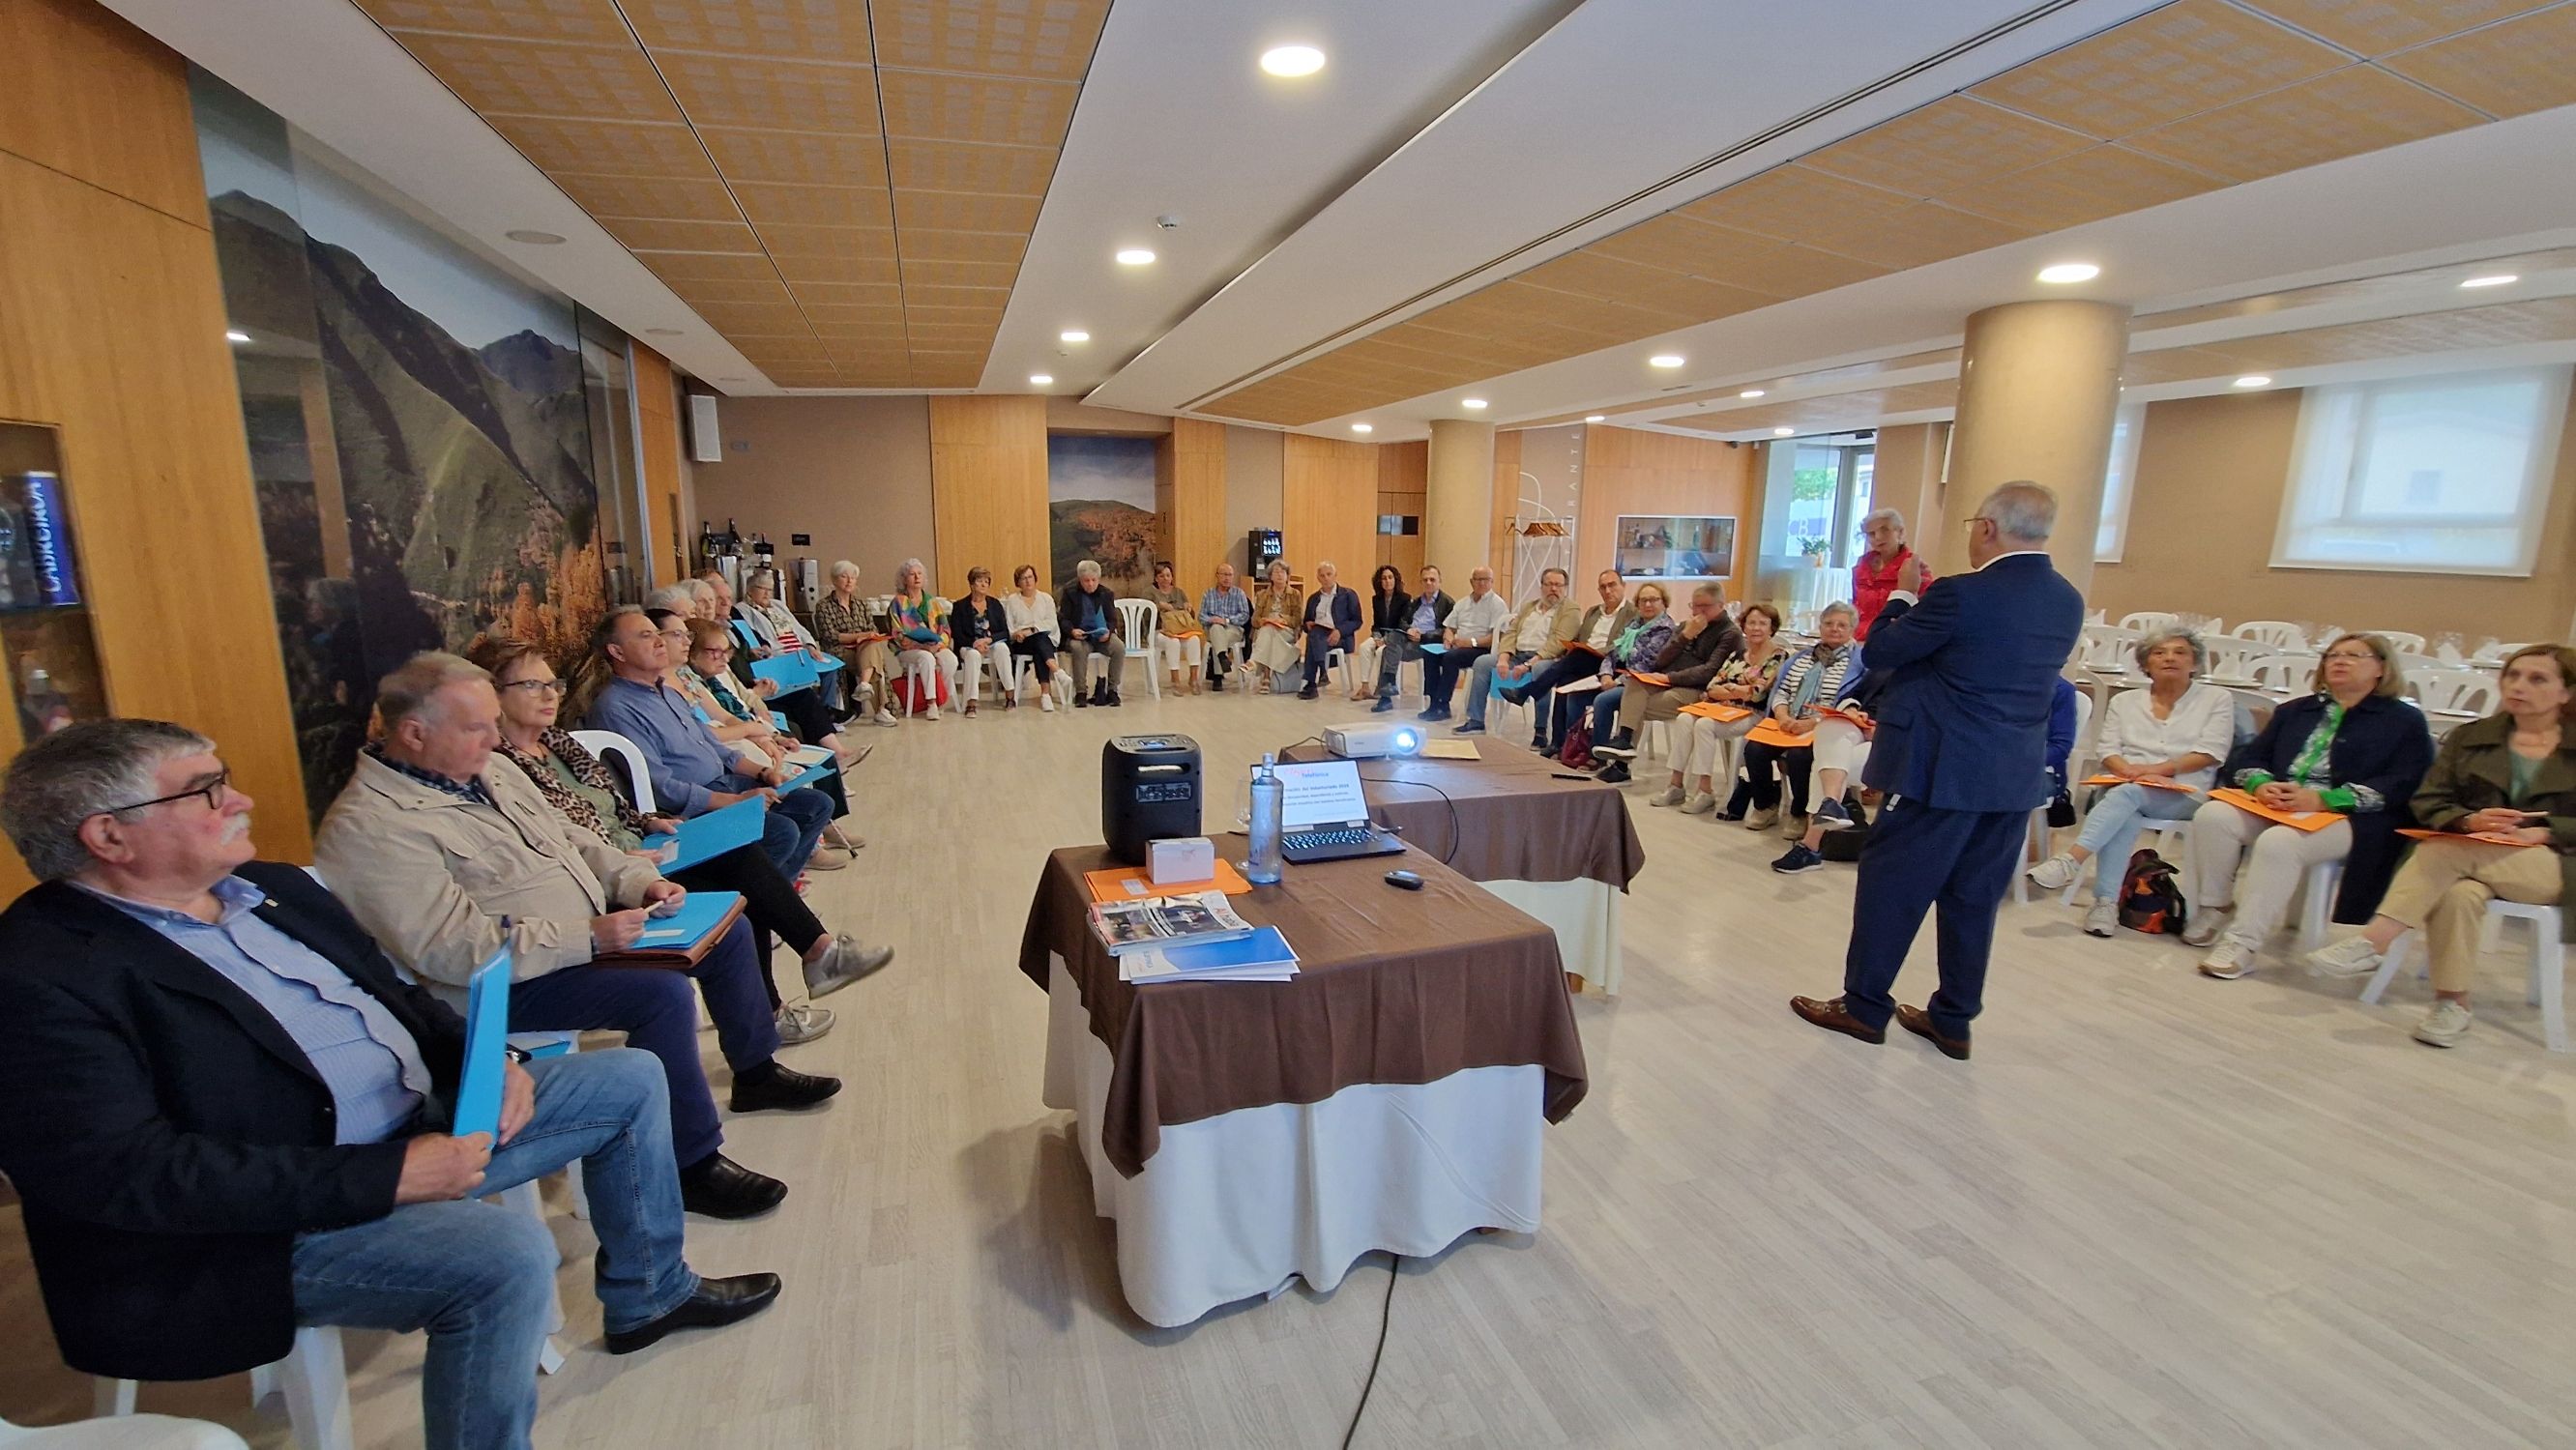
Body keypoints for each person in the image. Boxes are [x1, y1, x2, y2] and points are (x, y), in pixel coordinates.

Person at [0, 720, 781, 1448]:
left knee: (629, 1078)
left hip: (420, 1130)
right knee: (505, 1253)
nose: (240, 800)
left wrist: (497, 1066)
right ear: (108, 835)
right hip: (255, 1229)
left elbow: (406, 1002)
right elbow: (127, 1176)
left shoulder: (274, 890)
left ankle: (651, 1293)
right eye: (205, 791)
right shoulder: (41, 975)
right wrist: (391, 1174)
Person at [317, 653, 842, 1222]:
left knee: (729, 930)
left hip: (580, 938)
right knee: (659, 996)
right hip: (496, 987)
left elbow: (573, 839)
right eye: (477, 727)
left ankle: (757, 1072)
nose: (495, 738)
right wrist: (589, 938)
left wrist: (641, 881)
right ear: (415, 734)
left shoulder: (487, 768)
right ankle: (691, 1163)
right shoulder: (372, 828)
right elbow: (453, 950)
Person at [468, 635, 893, 1045]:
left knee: (761, 853)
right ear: (491, 696)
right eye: (532, 685)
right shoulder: (503, 769)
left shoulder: (557, 743)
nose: (549, 695)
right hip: (613, 878)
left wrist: (648, 821)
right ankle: (809, 966)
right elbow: (558, 843)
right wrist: (626, 853)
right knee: (746, 880)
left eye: (552, 684)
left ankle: (799, 974)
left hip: (645, 846)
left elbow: (617, 807)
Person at [1791, 480, 2086, 1062]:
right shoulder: (2066, 598)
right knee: (1973, 899)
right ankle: (1954, 1019)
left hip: (1941, 770)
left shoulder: (1959, 594)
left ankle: (1864, 1006)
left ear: (1989, 528)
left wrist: (1902, 598)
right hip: (2011, 776)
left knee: (1892, 889)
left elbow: (1880, 651)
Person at [2304, 645, 2574, 1046]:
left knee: (2442, 851)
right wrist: (2469, 820)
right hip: (2474, 856)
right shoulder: (2471, 738)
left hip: (2556, 863)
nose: (2519, 686)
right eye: (2513, 676)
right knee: (2459, 893)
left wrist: (2547, 830)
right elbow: (2428, 800)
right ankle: (2452, 1004)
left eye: (2537, 679)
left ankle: (2372, 941)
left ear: (2567, 693)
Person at [2182, 633, 2436, 980]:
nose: (2339, 661)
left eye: (2353, 656)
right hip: (2280, 803)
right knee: (2213, 816)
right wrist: (2261, 784)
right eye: (2332, 655)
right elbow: (2251, 757)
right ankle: (2217, 904)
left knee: (2279, 843)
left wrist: (2325, 799)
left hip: (2352, 815)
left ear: (2381, 668)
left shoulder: (2403, 720)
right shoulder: (2296, 710)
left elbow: (2404, 782)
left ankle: (2243, 942)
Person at [583, 607, 838, 883]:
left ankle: (773, 897)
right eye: (646, 636)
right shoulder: (616, 707)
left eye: (658, 634)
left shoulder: (668, 692)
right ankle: (759, 905)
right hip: (692, 808)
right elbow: (662, 788)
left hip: (725, 782)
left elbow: (716, 748)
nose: (659, 642)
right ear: (617, 652)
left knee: (817, 804)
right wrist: (736, 801)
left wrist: (764, 774)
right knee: (781, 831)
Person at [2026, 629, 2236, 934]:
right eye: (2159, 653)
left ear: (2195, 663)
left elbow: (2211, 752)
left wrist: (2159, 770)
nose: (2170, 658)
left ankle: (2074, 862)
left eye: (2180, 652)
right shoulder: (2125, 701)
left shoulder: (2217, 699)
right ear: (2145, 664)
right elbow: (2108, 750)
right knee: (2127, 804)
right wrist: (2131, 772)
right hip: (2126, 787)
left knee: (2125, 797)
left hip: (2186, 793)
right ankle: (2106, 904)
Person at [1593, 582, 1742, 782]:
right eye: (1694, 606)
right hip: (1667, 682)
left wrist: (1669, 677)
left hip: (1697, 690)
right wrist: (1686, 636)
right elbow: (1661, 660)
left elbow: (1709, 671)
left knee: (1632, 707)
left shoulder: (1729, 633)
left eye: (1704, 606)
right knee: (1634, 683)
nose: (1698, 611)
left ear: (1720, 605)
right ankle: (1623, 743)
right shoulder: (1685, 626)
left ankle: (1621, 761)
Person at [1738, 601, 1864, 835]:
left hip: (1824, 727)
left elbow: (1847, 702)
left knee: (1800, 757)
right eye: (1829, 623)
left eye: (1841, 625)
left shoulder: (1857, 664)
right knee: (1754, 749)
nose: (1834, 629)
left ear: (1851, 630)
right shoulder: (1802, 658)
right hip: (1788, 722)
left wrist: (1813, 722)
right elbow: (1781, 691)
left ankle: (1799, 813)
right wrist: (1783, 715)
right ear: (1820, 626)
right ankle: (1765, 805)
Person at [1656, 602, 1789, 811]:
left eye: (1762, 624)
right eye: (1751, 623)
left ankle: (1705, 790)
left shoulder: (1778, 657)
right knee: (1684, 719)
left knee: (1704, 725)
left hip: (1753, 714)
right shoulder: (1737, 655)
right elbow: (1712, 688)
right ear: (1743, 627)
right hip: (1722, 708)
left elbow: (1758, 695)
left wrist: (1733, 689)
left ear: (1772, 628)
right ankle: (1676, 784)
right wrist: (1740, 690)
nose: (1756, 628)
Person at [1518, 570, 1630, 754]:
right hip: (1584, 662)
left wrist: (1591, 652)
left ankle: (1530, 691)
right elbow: (1579, 637)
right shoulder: (1593, 612)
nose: (1608, 591)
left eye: (1612, 585)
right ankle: (1559, 743)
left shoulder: (1631, 614)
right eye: (1603, 587)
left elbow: (1620, 646)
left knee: (1578, 655)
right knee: (1565, 682)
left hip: (1610, 666)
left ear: (1623, 586)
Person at [1458, 566, 1580, 737]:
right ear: (1542, 586)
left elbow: (1558, 642)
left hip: (1545, 659)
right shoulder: (1529, 606)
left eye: (1558, 585)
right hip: (1516, 655)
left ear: (1565, 587)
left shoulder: (1571, 610)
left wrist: (1529, 665)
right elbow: (1511, 633)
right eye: (1549, 584)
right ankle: (1476, 721)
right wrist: (1503, 658)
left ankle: (1540, 731)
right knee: (1482, 662)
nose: (1553, 589)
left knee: (1540, 669)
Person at [1560, 583, 1675, 759]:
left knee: (1603, 701)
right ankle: (1575, 748)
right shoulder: (1634, 625)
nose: (1648, 605)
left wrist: (1616, 682)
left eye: (1653, 600)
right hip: (1617, 678)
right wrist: (1605, 674)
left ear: (1664, 602)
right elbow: (1612, 653)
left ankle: (1596, 755)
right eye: (1643, 600)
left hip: (1641, 685)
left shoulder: (1665, 630)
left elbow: (1646, 665)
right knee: (1575, 696)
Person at [731, 569, 842, 741]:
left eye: (770, 589)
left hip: (801, 651)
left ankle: (829, 711)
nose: (768, 593)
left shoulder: (778, 605)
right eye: (763, 589)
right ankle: (826, 716)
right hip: (781, 655)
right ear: (750, 590)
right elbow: (758, 640)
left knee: (830, 669)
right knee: (805, 690)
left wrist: (811, 646)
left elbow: (799, 628)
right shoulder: (743, 610)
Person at [814, 560, 898, 726]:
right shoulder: (823, 606)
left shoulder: (861, 604)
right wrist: (858, 636)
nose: (849, 581)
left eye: (853, 577)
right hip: (838, 649)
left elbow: (872, 628)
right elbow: (830, 635)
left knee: (872, 647)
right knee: (874, 661)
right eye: (844, 577)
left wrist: (865, 637)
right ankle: (881, 709)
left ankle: (865, 685)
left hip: (863, 648)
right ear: (834, 580)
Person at [1422, 566, 1509, 722]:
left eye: (1486, 580)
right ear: (1471, 582)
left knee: (1451, 658)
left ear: (1492, 582)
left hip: (1481, 649)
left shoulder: (1497, 604)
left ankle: (1443, 703)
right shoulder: (1463, 603)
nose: (1482, 583)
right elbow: (1450, 627)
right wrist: (1447, 638)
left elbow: (1497, 637)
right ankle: (1433, 701)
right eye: (1478, 580)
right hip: (1458, 645)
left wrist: (1471, 642)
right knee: (1430, 654)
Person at [887, 557, 957, 720]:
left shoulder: (932, 601)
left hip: (934, 645)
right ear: (904, 579)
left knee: (950, 660)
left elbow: (945, 628)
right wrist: (922, 647)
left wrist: (939, 644)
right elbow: (897, 633)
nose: (917, 577)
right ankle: (931, 702)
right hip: (908, 649)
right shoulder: (899, 602)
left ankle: (941, 699)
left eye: (920, 574)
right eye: (912, 574)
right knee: (926, 658)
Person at [1850, 508, 1930, 640]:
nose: (1878, 537)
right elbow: (1856, 605)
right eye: (1871, 533)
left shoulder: (1914, 566)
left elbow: (1924, 610)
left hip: (1894, 638)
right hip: (1859, 638)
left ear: (1900, 532)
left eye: (1884, 530)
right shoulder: (1862, 565)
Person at [1057, 558, 1126, 707]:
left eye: (1094, 580)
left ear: (1098, 579)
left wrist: (1108, 631)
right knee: (1077, 648)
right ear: (1080, 580)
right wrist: (1072, 631)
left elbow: (1112, 619)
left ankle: (1112, 690)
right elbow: (1063, 619)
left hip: (1101, 635)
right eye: (1086, 581)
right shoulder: (1070, 593)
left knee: (1119, 647)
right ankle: (1081, 692)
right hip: (1080, 636)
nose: (1090, 584)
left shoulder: (1106, 594)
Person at [949, 566, 1012, 715]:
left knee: (1002, 649)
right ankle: (971, 703)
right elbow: (957, 634)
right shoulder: (959, 606)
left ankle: (1010, 695)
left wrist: (989, 640)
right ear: (971, 584)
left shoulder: (995, 604)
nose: (984, 585)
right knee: (973, 656)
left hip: (991, 643)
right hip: (969, 645)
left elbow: (1005, 632)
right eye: (980, 581)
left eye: (987, 581)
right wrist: (975, 644)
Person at [1299, 559, 1362, 701]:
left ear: (1335, 575)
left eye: (1329, 574)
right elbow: (1306, 622)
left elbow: (1357, 621)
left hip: (1340, 637)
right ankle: (1321, 671)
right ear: (1318, 578)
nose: (1326, 578)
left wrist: (1339, 630)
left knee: (1313, 638)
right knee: (1314, 634)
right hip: (1319, 635)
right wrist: (1307, 625)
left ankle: (1312, 682)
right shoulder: (1314, 598)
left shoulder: (1348, 595)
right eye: (1322, 575)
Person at [1003, 564, 1061, 713]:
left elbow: (1052, 623)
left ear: (1035, 579)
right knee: (1039, 642)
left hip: (1043, 639)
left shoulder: (1046, 599)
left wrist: (1031, 630)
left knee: (1039, 642)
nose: (1028, 581)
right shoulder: (1012, 600)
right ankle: (1054, 676)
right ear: (1018, 582)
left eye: (1030, 577)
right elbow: (1009, 626)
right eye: (1023, 578)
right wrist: (1017, 634)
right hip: (1021, 642)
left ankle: (1046, 695)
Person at [1351, 565, 1412, 702]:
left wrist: (1385, 640)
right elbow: (1376, 623)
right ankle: (1365, 687)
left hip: (1396, 637)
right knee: (1364, 647)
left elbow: (1403, 624)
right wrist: (1377, 637)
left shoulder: (1405, 599)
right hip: (1380, 634)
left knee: (1380, 652)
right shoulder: (1376, 599)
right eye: (1384, 578)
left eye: (1390, 578)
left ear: (1395, 580)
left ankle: (1381, 687)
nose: (1387, 581)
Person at [1146, 560, 1207, 696]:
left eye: (1168, 575)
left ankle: (1194, 678)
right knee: (1172, 642)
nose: (1165, 579)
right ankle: (1175, 681)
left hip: (1180, 630)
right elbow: (1145, 616)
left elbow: (1190, 615)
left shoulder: (1179, 592)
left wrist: (1189, 608)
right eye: (1161, 576)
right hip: (1158, 631)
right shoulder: (1149, 593)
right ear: (1156, 578)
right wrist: (1159, 607)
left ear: (1172, 577)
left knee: (1194, 640)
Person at [1247, 560, 1303, 693]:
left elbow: (1298, 619)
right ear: (1270, 577)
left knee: (1269, 632)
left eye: (1283, 572)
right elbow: (1254, 620)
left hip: (1286, 631)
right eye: (1276, 572)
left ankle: (1256, 663)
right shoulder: (1262, 595)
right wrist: (1265, 620)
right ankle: (1266, 679)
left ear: (1288, 576)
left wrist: (1283, 620)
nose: (1279, 575)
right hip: (1267, 630)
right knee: (1269, 631)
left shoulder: (1295, 594)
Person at [1199, 562, 1251, 688]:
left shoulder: (1239, 593)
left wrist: (1226, 621)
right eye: (1224, 575)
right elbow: (1201, 616)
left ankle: (1218, 675)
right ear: (1217, 576)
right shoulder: (1208, 594)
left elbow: (1245, 615)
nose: (1227, 578)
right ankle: (1223, 657)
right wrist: (1212, 620)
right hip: (1212, 628)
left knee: (1219, 637)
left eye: (1230, 575)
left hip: (1233, 629)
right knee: (1217, 629)